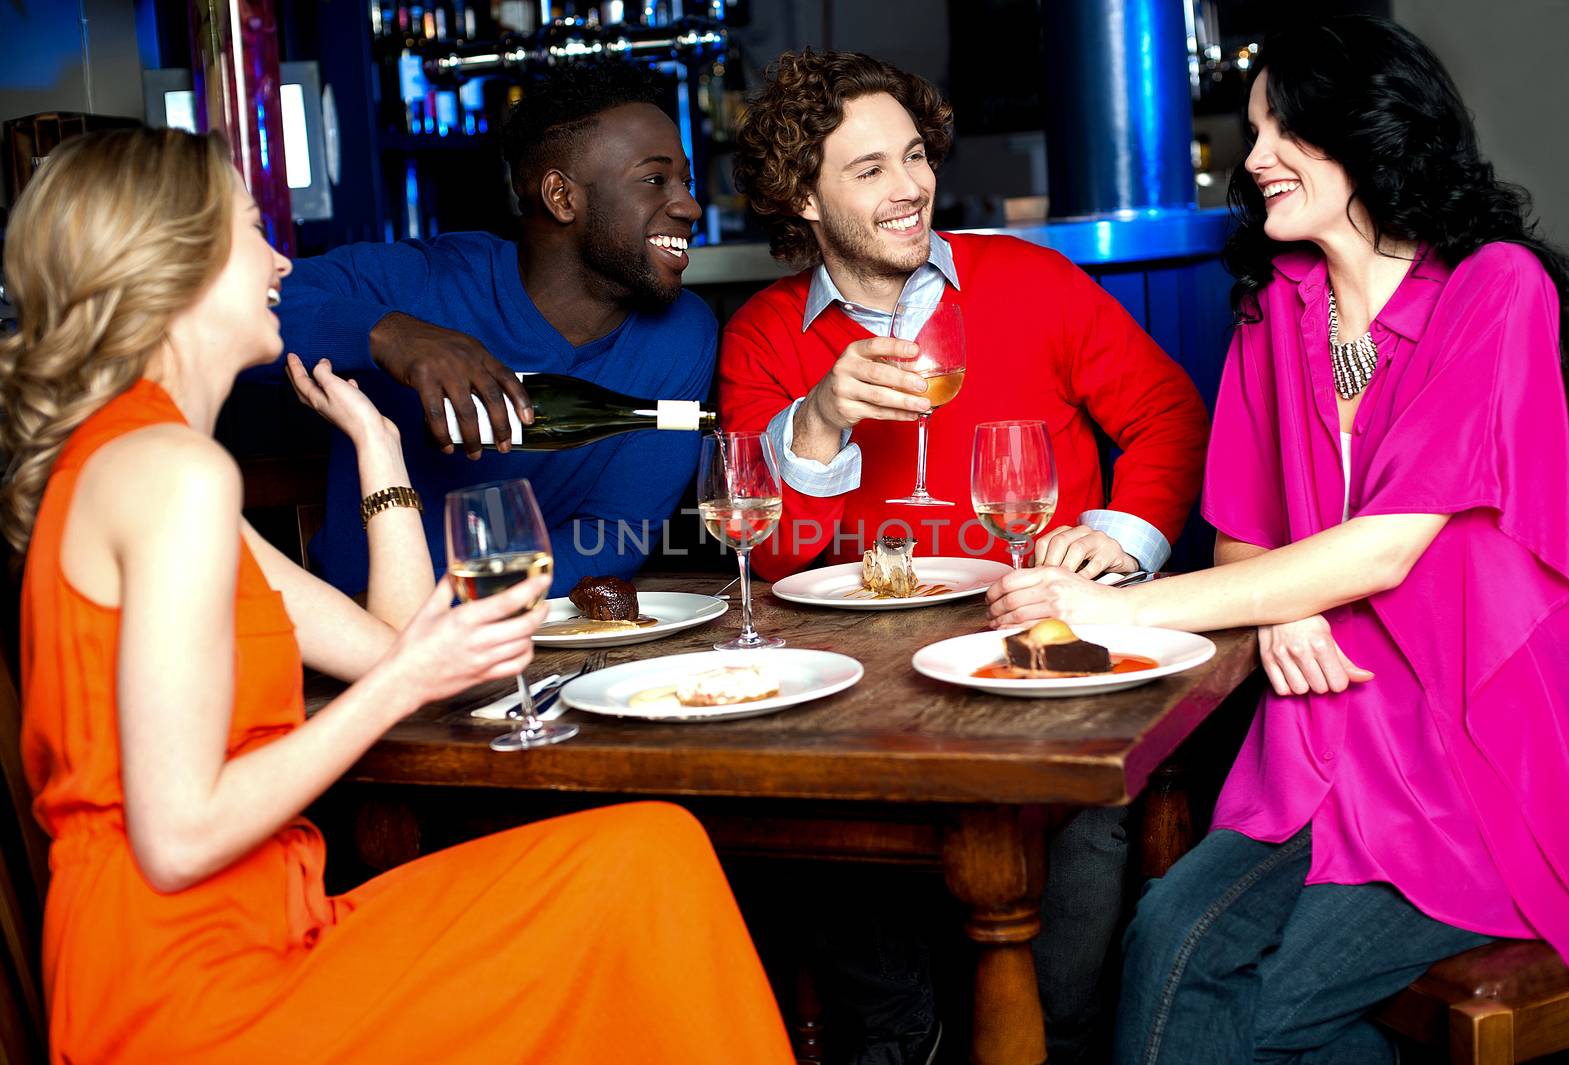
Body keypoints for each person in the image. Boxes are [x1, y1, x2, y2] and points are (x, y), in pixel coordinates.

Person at [0, 127, 792, 1064]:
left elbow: (389, 645)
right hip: (194, 990)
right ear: (180, 265)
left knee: (650, 854)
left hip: (265, 929)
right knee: (644, 879)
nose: (280, 259)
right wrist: (408, 676)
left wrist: (380, 446)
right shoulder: (174, 475)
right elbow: (177, 837)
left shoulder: (147, 465)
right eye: (254, 231)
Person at [983, 17, 1569, 1064]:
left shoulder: (1497, 289)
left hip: (1478, 750)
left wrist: (1113, 609)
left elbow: (1384, 548)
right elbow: (1238, 548)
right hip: (1323, 733)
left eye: (1283, 130)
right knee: (1168, 941)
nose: (1251, 156)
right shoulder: (1277, 311)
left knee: (1243, 1011)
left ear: (1368, 130)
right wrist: (1289, 606)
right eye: (1254, 129)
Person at [719, 49, 1211, 1064]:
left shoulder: (1029, 281)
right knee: (801, 799)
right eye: (867, 170)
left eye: (913, 156)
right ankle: (910, 1036)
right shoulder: (768, 337)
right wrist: (815, 422)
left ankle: (1061, 1038)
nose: (909, 188)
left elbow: (1168, 412)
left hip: (1044, 662)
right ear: (799, 198)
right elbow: (773, 558)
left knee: (1071, 876)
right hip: (866, 695)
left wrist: (1115, 542)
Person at [270, 60, 712, 598]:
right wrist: (392, 335)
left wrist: (468, 609)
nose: (689, 205)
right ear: (562, 196)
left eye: (684, 180)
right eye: (655, 179)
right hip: (354, 632)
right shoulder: (417, 281)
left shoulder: (682, 334)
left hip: (516, 636)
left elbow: (614, 532)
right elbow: (229, 311)